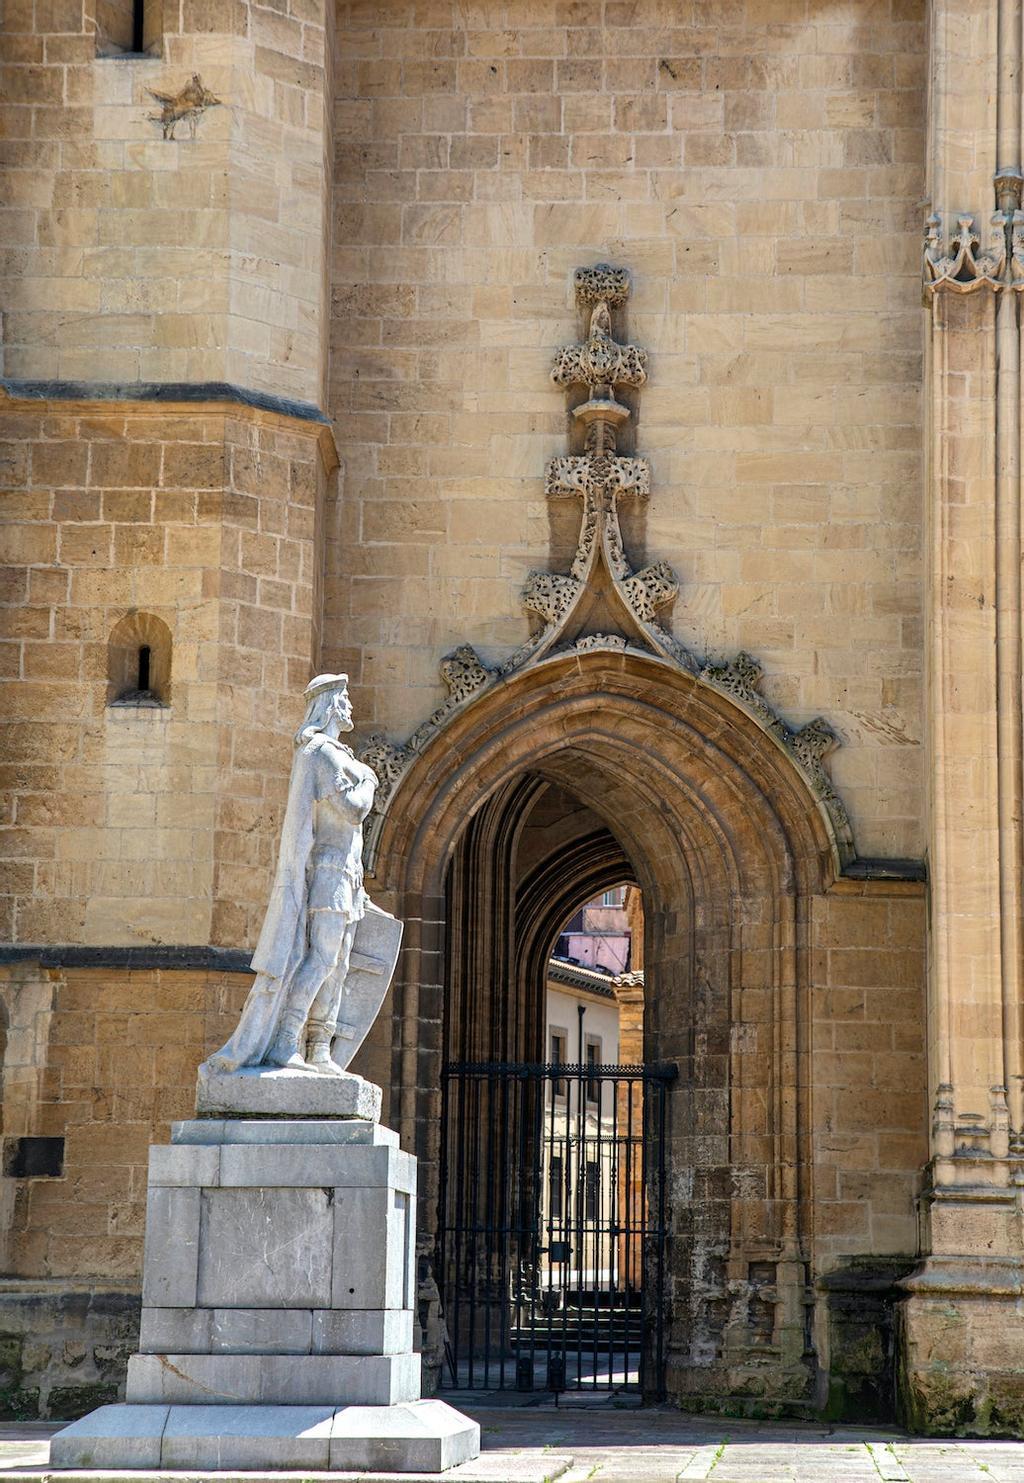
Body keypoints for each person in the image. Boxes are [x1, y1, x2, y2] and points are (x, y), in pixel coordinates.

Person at [204, 673, 379, 1076]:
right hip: (329, 870)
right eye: (345, 699)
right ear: (331, 704)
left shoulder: (338, 754)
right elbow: (353, 810)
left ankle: (319, 1049)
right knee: (321, 958)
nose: (351, 706)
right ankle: (286, 1041)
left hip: (348, 875)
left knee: (337, 965)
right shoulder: (321, 753)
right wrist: (369, 781)